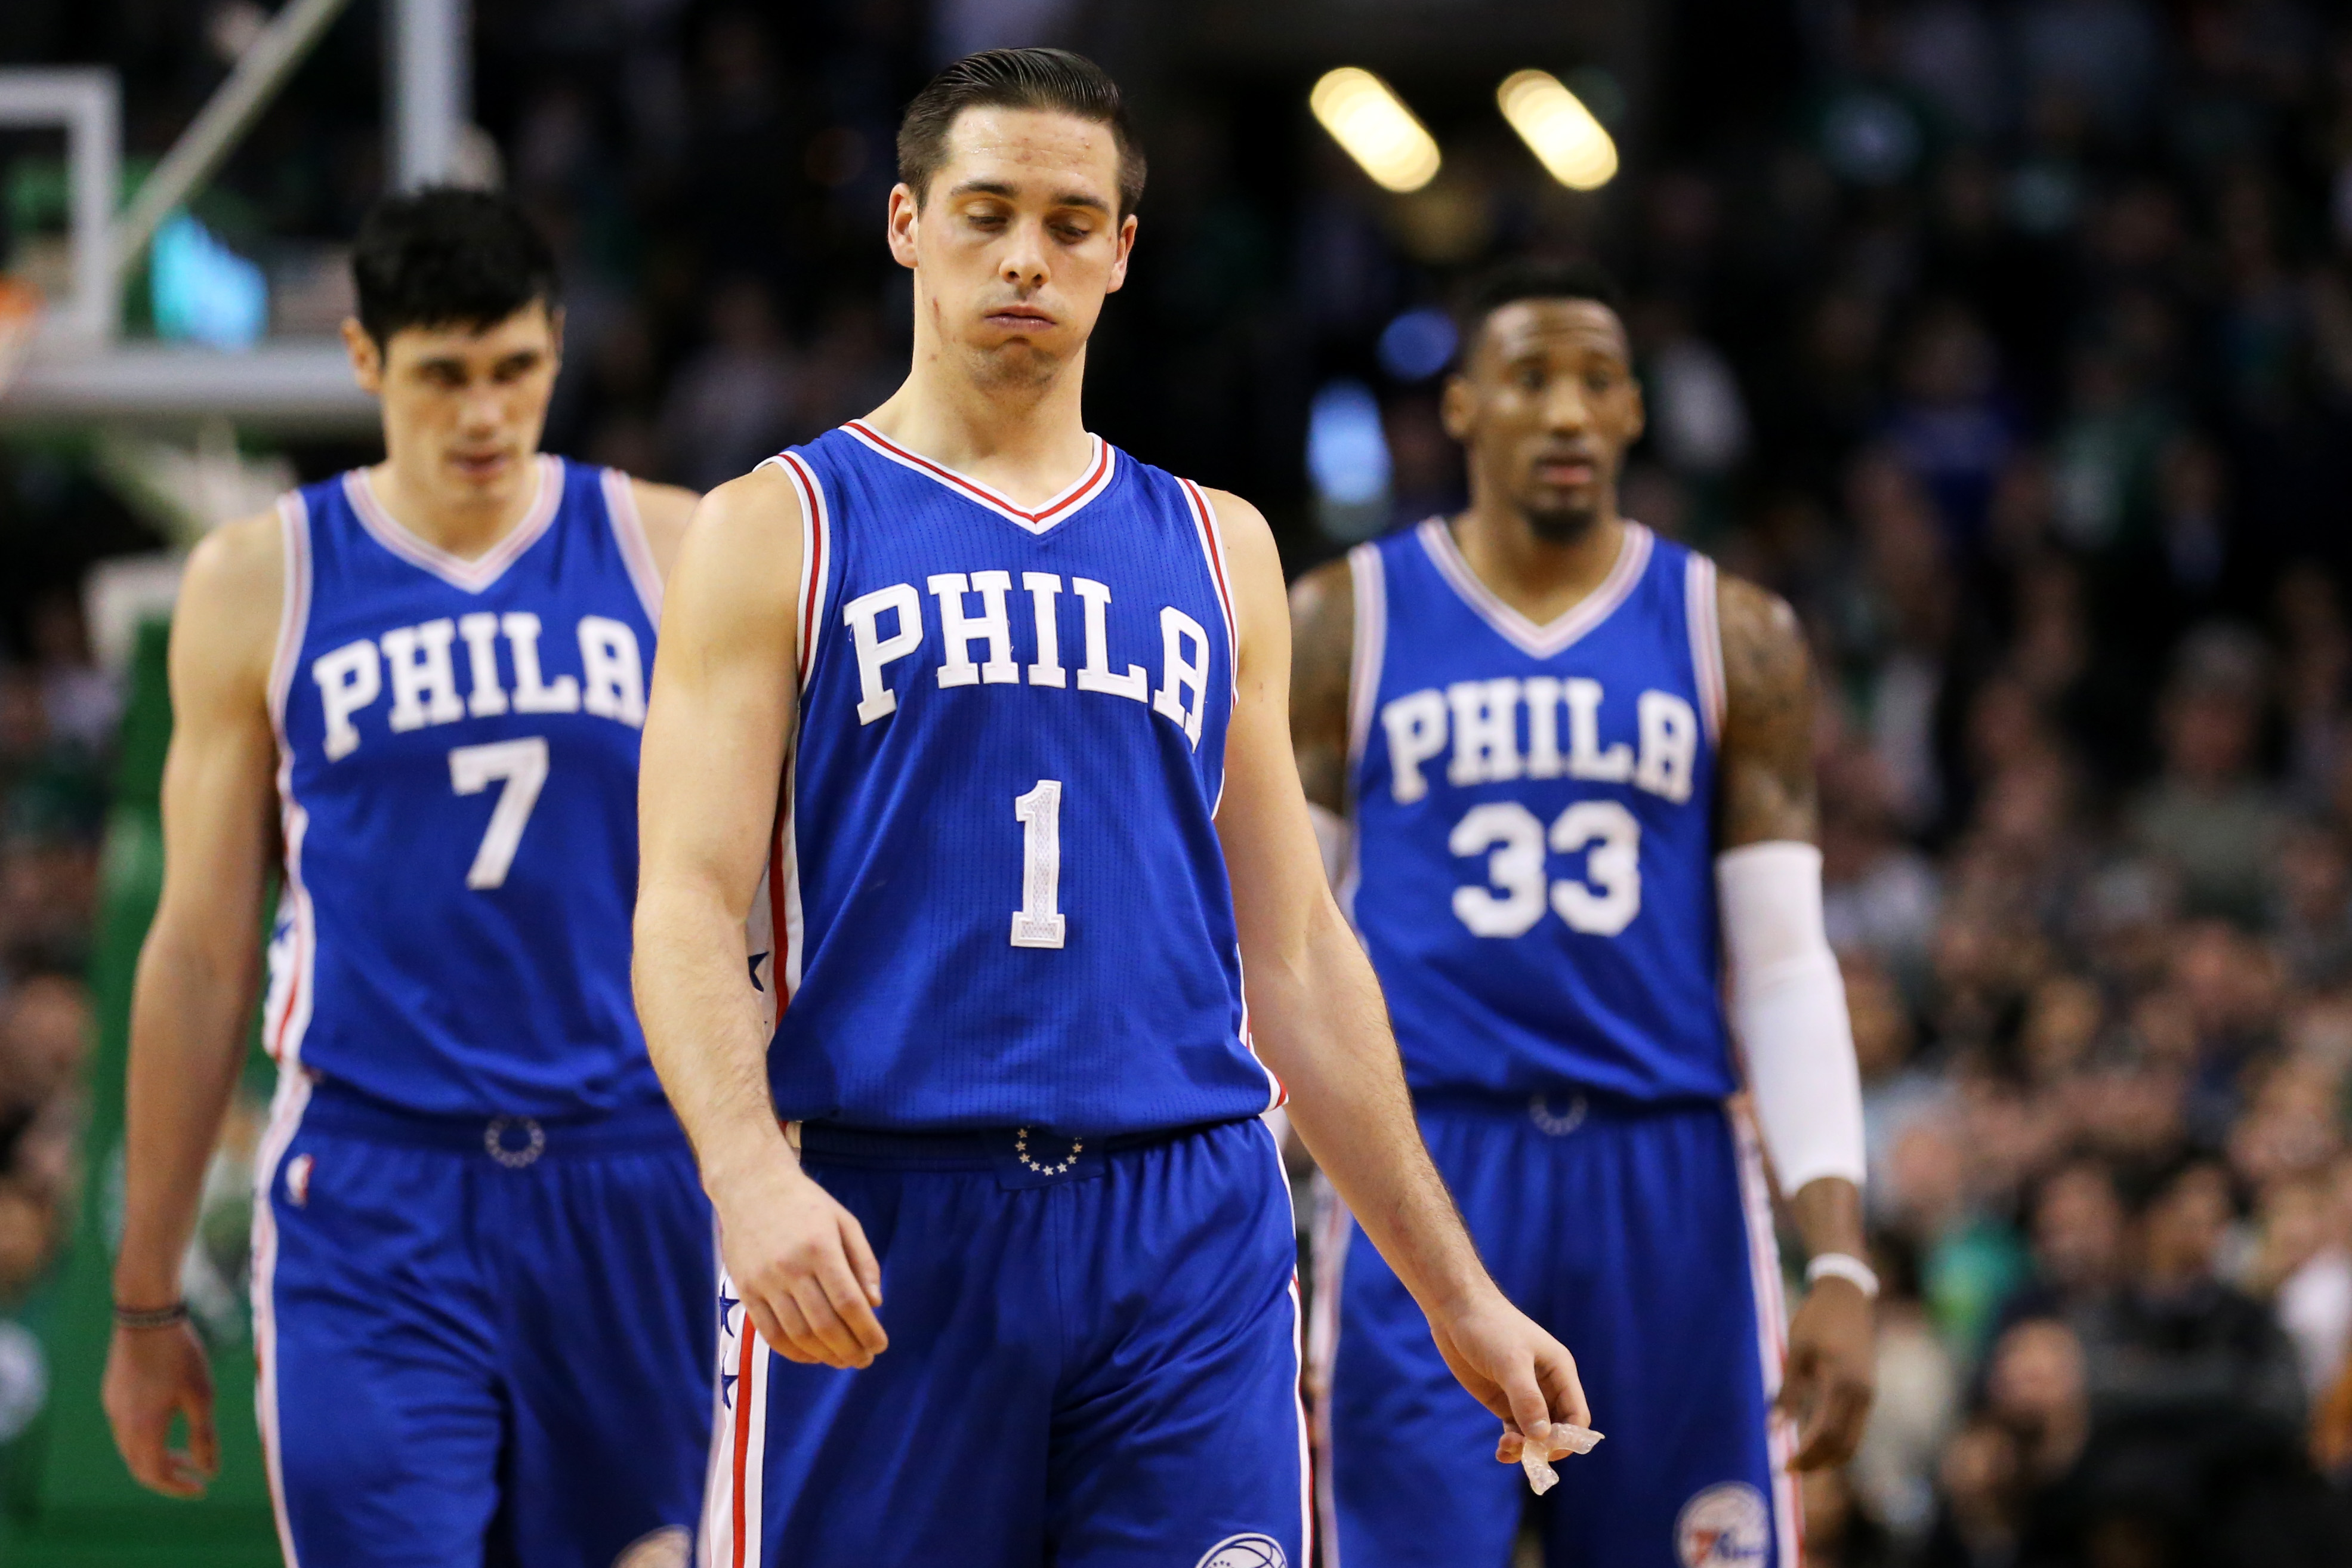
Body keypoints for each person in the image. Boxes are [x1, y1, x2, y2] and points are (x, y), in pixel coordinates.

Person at [631, 47, 1588, 1568]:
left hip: (1185, 1222)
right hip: (889, 1211)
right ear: (904, 224)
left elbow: (1297, 955)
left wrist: (1455, 1288)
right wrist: (747, 1180)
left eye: (1072, 223)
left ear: (1123, 253)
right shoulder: (776, 526)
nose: (1028, 254)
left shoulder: (1224, 548)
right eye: (987, 212)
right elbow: (682, 906)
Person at [99, 188, 712, 1567]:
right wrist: (145, 1299)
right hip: (377, 1192)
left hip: (633, 1169)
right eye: (444, 375)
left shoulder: (676, 548)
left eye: (516, 370)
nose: (485, 414)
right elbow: (198, 951)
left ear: (559, 347)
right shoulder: (260, 580)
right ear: (368, 359)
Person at [1289, 259, 1878, 1567]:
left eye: (1596, 383)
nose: (1565, 412)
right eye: (1531, 379)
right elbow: (1280, 950)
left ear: (1631, 414)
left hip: (1665, 1167)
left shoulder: (1740, 633)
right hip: (1427, 1165)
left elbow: (1783, 968)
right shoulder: (1344, 622)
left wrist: (1839, 1259)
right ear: (1462, 409)